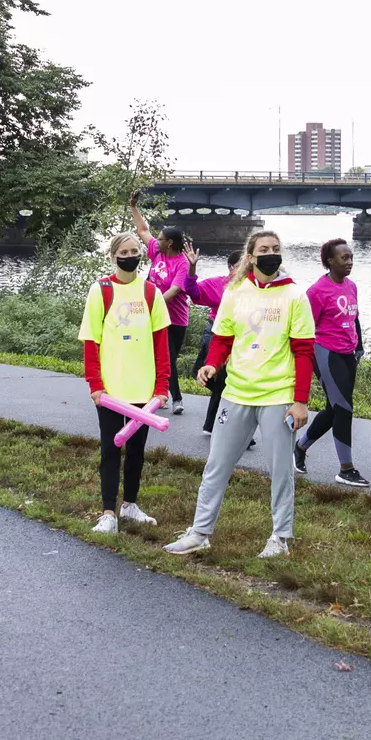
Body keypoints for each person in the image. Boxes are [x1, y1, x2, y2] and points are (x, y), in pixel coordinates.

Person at [164, 230, 314, 559]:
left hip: (277, 395)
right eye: (264, 249)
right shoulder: (235, 291)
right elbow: (222, 339)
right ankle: (200, 532)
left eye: (276, 248)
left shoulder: (295, 296)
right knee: (217, 464)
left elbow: (304, 352)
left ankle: (280, 538)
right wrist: (212, 365)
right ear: (250, 256)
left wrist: (300, 400)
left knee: (281, 469)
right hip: (236, 392)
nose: (271, 253)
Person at [78, 233, 170, 534]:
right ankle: (108, 512)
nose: (130, 256)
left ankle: (130, 505)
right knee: (109, 448)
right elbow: (91, 341)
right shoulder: (101, 290)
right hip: (111, 391)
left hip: (143, 388)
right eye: (124, 251)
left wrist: (162, 385)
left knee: (136, 450)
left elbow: (161, 343)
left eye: (135, 251)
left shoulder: (151, 292)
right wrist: (95, 383)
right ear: (113, 256)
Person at [296, 238, 368, 487]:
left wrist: (359, 345)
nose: (349, 262)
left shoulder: (351, 286)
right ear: (330, 261)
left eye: (350, 257)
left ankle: (300, 447)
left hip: (348, 354)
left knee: (334, 408)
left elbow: (354, 317)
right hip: (325, 353)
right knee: (344, 408)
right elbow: (305, 327)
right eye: (343, 258)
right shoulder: (317, 291)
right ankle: (346, 469)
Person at [129, 191, 189, 414]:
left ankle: (177, 399)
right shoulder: (158, 252)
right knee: (150, 353)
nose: (156, 241)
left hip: (175, 319)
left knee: (169, 358)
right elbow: (143, 230)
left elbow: (174, 290)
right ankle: (158, 393)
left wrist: (151, 302)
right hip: (152, 314)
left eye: (161, 239)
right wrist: (134, 207)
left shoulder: (181, 263)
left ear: (170, 243)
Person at [182, 246, 247, 439]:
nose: (243, 270)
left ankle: (214, 425)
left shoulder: (253, 289)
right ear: (230, 267)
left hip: (239, 339)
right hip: (215, 335)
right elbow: (193, 292)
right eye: (239, 266)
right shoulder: (219, 284)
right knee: (205, 376)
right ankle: (221, 423)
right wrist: (192, 268)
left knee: (225, 384)